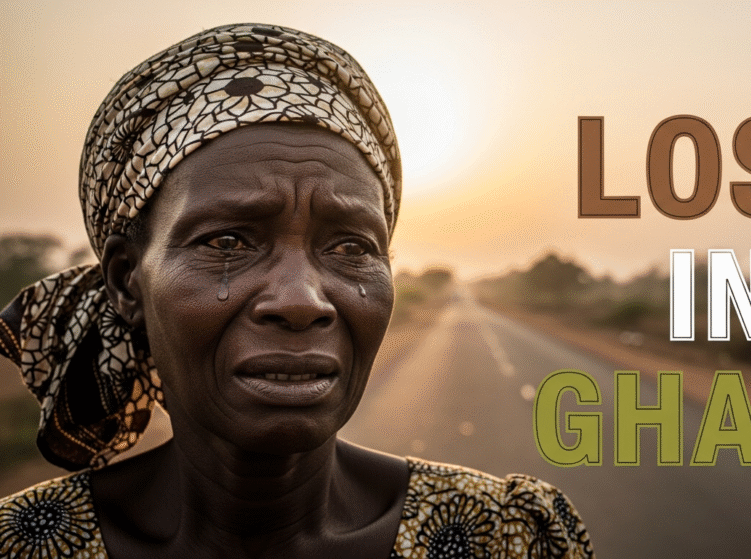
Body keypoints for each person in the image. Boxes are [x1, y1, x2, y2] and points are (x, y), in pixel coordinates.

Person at [0, 23, 594, 558]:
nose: (301, 301)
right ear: (127, 280)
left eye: (352, 247)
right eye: (228, 241)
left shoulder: (508, 537)